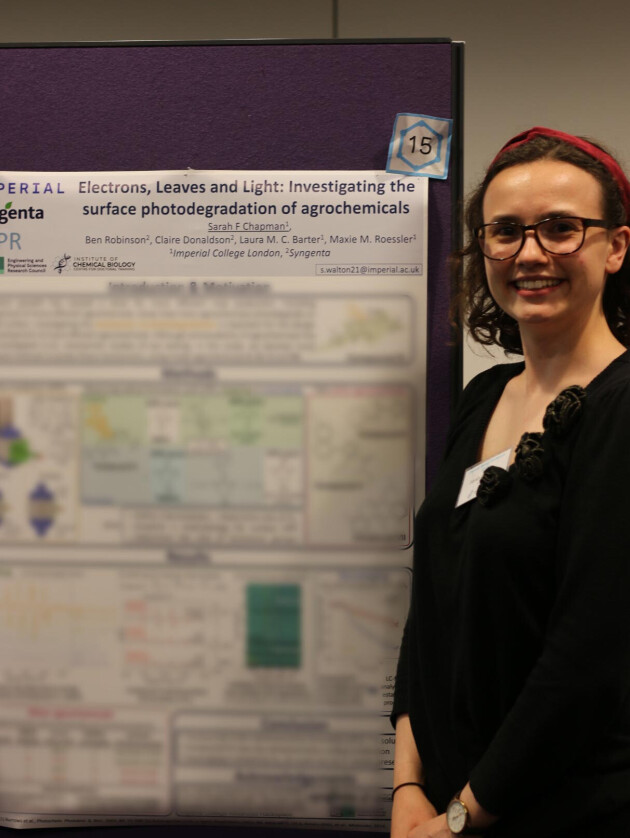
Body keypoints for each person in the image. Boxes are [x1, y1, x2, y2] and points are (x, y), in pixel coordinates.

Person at [390, 126, 630, 838]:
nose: (530, 253)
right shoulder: (483, 395)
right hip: (439, 807)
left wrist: (461, 817)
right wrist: (408, 784)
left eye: (561, 229)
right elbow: (430, 601)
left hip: (563, 814)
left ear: (616, 246)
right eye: (505, 232)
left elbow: (589, 658)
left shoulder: (621, 406)